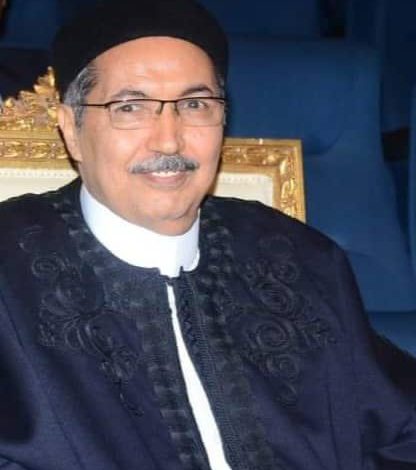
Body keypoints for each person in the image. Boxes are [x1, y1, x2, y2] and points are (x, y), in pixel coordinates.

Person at [0, 0, 415, 468]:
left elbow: (401, 424)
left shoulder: (298, 257)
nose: (169, 140)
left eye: (195, 105)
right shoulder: (9, 271)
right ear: (72, 130)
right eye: (130, 107)